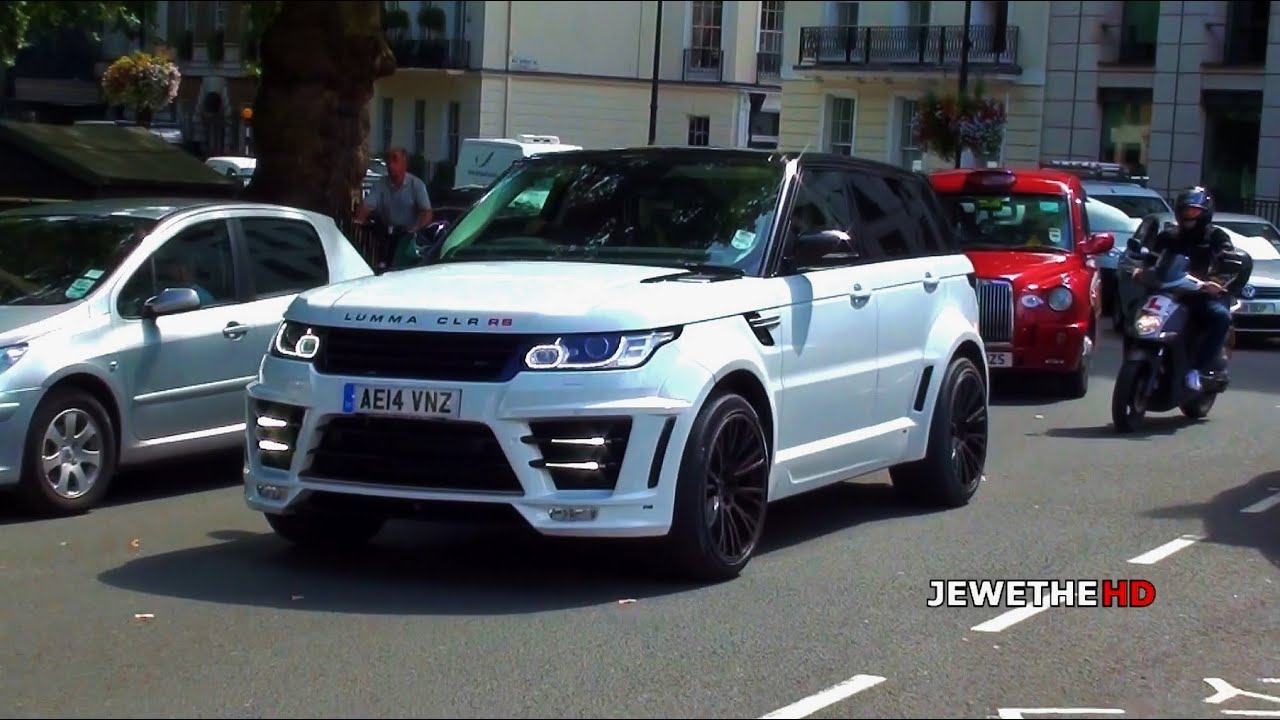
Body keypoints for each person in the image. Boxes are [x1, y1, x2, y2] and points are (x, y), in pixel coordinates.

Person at [1136, 186, 1234, 391]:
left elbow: (1228, 262)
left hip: (1199, 294)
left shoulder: (1217, 237)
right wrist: (1141, 270)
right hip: (1168, 292)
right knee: (1135, 309)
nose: (1189, 215)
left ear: (1205, 211)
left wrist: (1217, 281)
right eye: (1185, 210)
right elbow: (1151, 259)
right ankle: (1139, 354)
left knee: (1220, 316)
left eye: (1194, 210)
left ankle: (1196, 369)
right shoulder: (1168, 236)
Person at [354, 147, 433, 268]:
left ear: (405, 163)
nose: (391, 165)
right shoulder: (381, 184)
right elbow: (366, 205)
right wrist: (359, 220)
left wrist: (416, 228)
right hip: (386, 234)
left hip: (408, 236)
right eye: (388, 161)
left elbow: (427, 213)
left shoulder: (416, 185)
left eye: (395, 160)